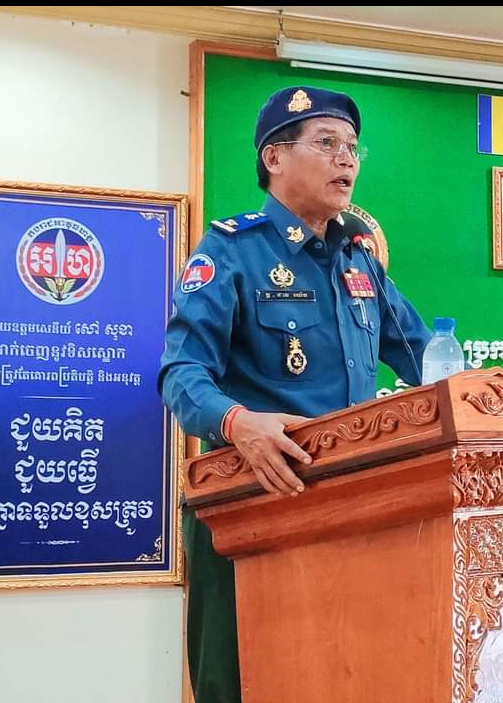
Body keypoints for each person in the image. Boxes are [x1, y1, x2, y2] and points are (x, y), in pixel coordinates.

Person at [158, 85, 432, 703]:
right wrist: (238, 423)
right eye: (327, 143)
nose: (346, 159)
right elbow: (181, 374)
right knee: (242, 682)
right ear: (275, 158)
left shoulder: (359, 261)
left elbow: (427, 359)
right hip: (253, 506)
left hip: (354, 506)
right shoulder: (232, 251)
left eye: (353, 148)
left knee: (345, 677)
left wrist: (474, 394)